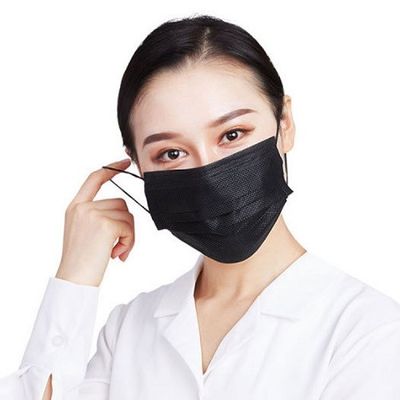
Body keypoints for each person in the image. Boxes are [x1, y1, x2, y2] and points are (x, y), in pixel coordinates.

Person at [1, 14, 400, 400]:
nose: (209, 174)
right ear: (137, 165)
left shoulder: (369, 330)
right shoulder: (128, 329)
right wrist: (75, 277)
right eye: (171, 153)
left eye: (232, 134)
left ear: (285, 125)